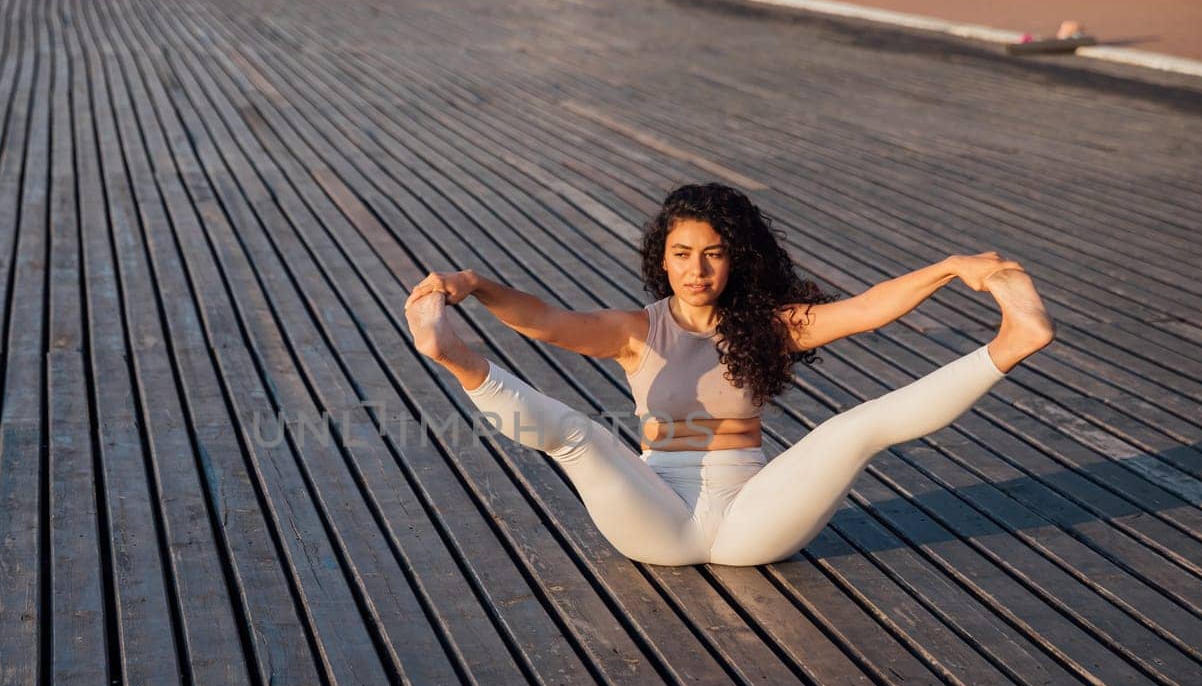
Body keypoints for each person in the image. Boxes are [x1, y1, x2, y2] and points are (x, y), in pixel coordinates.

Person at [402, 182, 1054, 567]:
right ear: (663, 258)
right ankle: (459, 359)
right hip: (655, 511)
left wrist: (950, 267)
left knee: (856, 428)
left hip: (751, 516)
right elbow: (545, 320)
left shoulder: (769, 324)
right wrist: (473, 285)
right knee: (579, 437)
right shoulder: (636, 330)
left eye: (713, 255)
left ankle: (1011, 342)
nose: (697, 269)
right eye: (683, 254)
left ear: (735, 261)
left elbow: (863, 309)